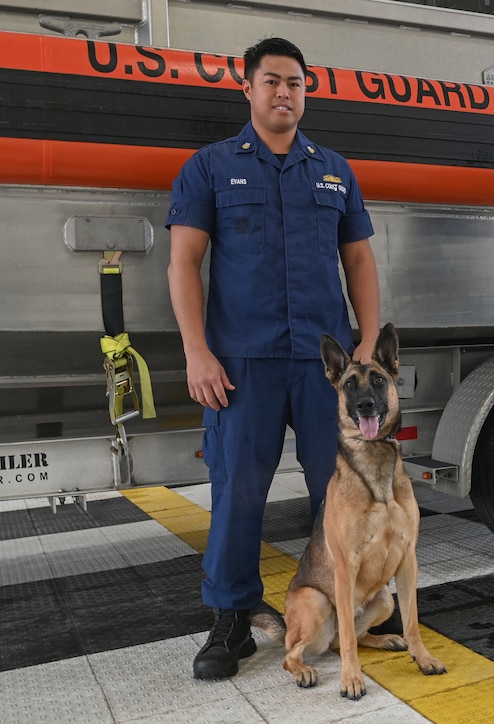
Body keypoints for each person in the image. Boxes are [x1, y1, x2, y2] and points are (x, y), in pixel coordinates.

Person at [166, 37, 380, 679]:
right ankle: (230, 621)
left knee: (341, 492)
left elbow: (360, 260)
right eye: (272, 82)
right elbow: (183, 261)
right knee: (237, 494)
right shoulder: (209, 167)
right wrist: (196, 351)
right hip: (241, 363)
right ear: (248, 89)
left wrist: (367, 345)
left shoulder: (334, 169)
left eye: (295, 82)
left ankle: (353, 608)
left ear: (305, 91)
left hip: (328, 370)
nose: (284, 92)